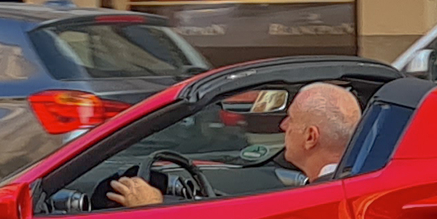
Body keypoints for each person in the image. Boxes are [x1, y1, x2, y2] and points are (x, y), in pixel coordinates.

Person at [108, 81, 363, 207]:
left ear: (310, 137)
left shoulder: (314, 206)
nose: (282, 126)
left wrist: (154, 209)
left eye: (291, 119)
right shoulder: (356, 188)